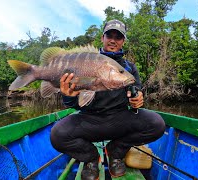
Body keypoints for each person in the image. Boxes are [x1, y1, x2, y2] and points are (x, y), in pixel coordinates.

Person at [50, 19, 165, 180]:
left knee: (157, 124)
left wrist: (137, 100)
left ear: (123, 41)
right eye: (109, 35)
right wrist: (68, 96)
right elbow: (75, 104)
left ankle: (116, 152)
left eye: (118, 37)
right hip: (89, 121)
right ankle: (90, 158)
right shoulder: (88, 60)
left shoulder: (129, 68)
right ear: (102, 38)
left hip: (119, 120)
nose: (113, 40)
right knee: (57, 134)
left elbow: (136, 92)